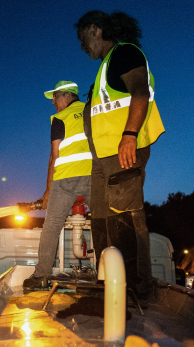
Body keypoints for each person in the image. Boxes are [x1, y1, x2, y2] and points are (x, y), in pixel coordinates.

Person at [74, 11, 165, 299]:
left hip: (122, 150)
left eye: (82, 38)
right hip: (103, 160)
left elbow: (140, 91)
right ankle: (108, 287)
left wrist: (130, 135)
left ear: (95, 29)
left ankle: (136, 288)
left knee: (126, 215)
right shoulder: (104, 69)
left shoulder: (124, 53)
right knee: (101, 220)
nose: (81, 46)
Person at [23, 81, 93, 290]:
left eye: (55, 97)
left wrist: (47, 192)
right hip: (93, 176)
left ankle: (41, 276)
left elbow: (55, 156)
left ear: (67, 96)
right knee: (103, 224)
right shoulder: (92, 110)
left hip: (65, 179)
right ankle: (111, 277)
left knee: (51, 227)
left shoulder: (59, 118)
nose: (53, 102)